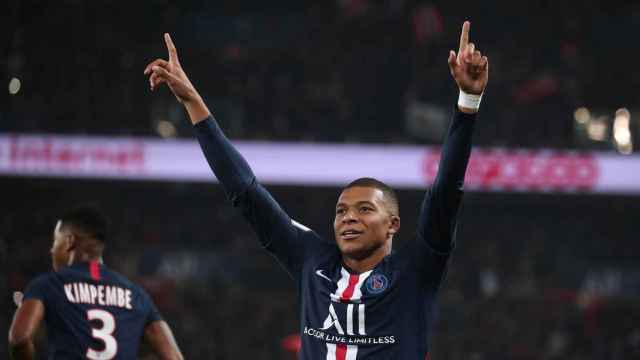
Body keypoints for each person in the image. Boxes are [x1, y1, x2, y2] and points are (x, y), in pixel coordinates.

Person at [145, 20, 488, 359]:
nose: (348, 218)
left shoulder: (415, 271)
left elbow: (446, 191)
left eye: (364, 209)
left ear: (393, 224)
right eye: (341, 211)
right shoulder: (312, 259)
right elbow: (246, 191)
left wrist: (468, 102)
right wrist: (193, 101)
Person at [8, 206, 184, 360]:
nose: (52, 249)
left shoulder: (47, 285)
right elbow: (173, 357)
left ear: (69, 241)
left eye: (56, 241)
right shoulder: (138, 295)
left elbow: (19, 339)